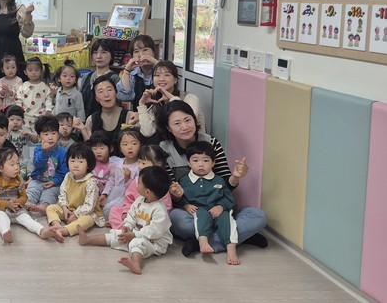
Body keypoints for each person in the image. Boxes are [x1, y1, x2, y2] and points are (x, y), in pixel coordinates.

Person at [158, 100, 268, 255]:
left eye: (188, 120)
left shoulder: (211, 142)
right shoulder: (164, 150)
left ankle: (201, 242)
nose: (184, 127)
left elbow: (226, 186)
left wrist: (236, 177)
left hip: (218, 207)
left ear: (194, 120)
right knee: (176, 219)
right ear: (168, 128)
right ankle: (234, 237)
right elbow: (170, 193)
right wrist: (175, 194)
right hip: (191, 211)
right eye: (177, 123)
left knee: (259, 216)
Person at [78, 166, 173, 275]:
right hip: (135, 233)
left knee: (137, 243)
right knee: (116, 235)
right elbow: (131, 215)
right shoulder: (140, 200)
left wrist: (134, 235)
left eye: (139, 183)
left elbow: (153, 232)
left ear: (147, 192)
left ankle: (136, 264)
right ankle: (87, 240)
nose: (136, 184)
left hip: (154, 242)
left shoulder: (159, 210)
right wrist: (127, 225)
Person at [175, 140, 240, 265]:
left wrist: (221, 207)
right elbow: (179, 198)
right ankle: (203, 241)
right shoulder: (183, 181)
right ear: (188, 162)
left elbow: (229, 198)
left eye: (205, 160)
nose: (201, 165)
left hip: (218, 211)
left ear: (213, 163)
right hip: (199, 212)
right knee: (201, 215)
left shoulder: (219, 180)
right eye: (195, 160)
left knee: (226, 218)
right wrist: (185, 205)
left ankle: (231, 249)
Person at [0, 147, 61, 244]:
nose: (16, 167)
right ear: (0, 168)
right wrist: (7, 204)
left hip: (15, 207)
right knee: (2, 217)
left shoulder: (18, 179)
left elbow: (24, 197)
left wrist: (18, 202)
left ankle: (41, 230)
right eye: (12, 164)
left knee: (25, 218)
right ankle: (5, 233)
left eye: (18, 163)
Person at [109, 144, 173, 230]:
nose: (139, 166)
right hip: (134, 214)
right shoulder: (137, 180)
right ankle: (124, 230)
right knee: (115, 210)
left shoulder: (160, 183)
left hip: (149, 218)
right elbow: (129, 199)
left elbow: (166, 207)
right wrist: (126, 212)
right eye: (139, 162)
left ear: (157, 165)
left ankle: (131, 232)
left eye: (143, 163)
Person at [45, 143, 101, 238]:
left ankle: (64, 231)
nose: (76, 165)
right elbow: (63, 194)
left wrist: (76, 214)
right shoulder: (68, 176)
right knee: (50, 208)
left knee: (85, 221)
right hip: (70, 209)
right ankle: (57, 226)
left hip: (87, 213)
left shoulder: (91, 182)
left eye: (80, 162)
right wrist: (64, 208)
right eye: (72, 161)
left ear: (88, 165)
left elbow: (89, 206)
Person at [137, 61, 204, 139]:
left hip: (195, 145)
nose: (161, 79)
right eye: (157, 75)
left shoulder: (190, 98)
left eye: (167, 75)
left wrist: (171, 98)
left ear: (175, 80)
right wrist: (142, 105)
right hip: (171, 146)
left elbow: (185, 117)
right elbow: (147, 132)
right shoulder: (158, 103)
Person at [25, 115, 67, 212]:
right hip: (38, 180)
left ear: (58, 135)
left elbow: (64, 171)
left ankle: (44, 206)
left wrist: (55, 181)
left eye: (53, 133)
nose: (50, 137)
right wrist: (44, 152)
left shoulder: (62, 151)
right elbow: (37, 164)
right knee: (32, 190)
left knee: (50, 194)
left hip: (54, 183)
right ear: (39, 137)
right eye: (46, 134)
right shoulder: (38, 149)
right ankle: (29, 202)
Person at [82, 74, 137, 145]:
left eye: (109, 90)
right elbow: (89, 148)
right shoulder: (91, 120)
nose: (106, 94)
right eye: (100, 91)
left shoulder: (130, 116)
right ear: (96, 98)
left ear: (116, 92)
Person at [116, 35, 158, 105]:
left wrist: (156, 63)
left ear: (154, 52)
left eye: (145, 50)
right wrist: (126, 71)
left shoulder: (162, 68)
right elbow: (124, 97)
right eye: (136, 51)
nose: (141, 54)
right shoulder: (133, 74)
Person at [17, 57, 53, 125]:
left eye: (36, 70)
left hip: (41, 118)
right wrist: (18, 111)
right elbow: (18, 99)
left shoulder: (45, 87)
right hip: (25, 117)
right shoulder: (23, 86)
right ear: (25, 72)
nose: (33, 72)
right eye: (30, 70)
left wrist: (48, 110)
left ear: (41, 71)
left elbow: (48, 99)